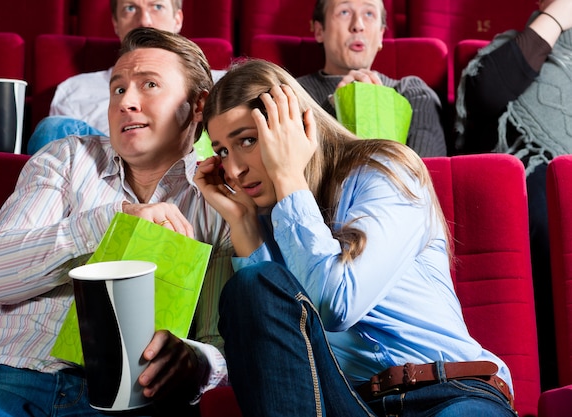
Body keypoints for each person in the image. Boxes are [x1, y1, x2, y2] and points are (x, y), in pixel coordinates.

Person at [194, 58, 516, 417]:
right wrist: (242, 222)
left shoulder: (385, 170)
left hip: (449, 391)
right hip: (350, 402)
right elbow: (275, 351)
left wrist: (288, 176)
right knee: (251, 286)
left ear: (295, 127)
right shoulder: (270, 217)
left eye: (248, 140)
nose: (234, 170)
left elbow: (336, 304)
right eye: (223, 151)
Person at [0, 28, 232, 416]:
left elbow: (221, 343)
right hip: (2, 376)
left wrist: (197, 361)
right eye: (118, 89)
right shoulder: (65, 158)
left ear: (199, 105)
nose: (126, 102)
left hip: (130, 398)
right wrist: (110, 222)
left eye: (149, 85)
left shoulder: (216, 200)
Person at [455, 0, 572, 390]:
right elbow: (487, 93)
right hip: (540, 193)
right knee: (545, 200)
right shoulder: (504, 52)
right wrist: (559, 15)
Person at [28, 0, 223, 155]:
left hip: (189, 176)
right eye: (130, 8)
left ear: (178, 19)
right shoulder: (75, 89)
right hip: (100, 184)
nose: (145, 21)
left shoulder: (222, 83)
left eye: (157, 6)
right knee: (52, 129)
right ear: (115, 22)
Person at [296, 0, 447, 158]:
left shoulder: (413, 93)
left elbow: (425, 176)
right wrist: (335, 107)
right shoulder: (291, 91)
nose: (358, 25)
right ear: (319, 31)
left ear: (381, 34)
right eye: (344, 12)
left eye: (369, 14)